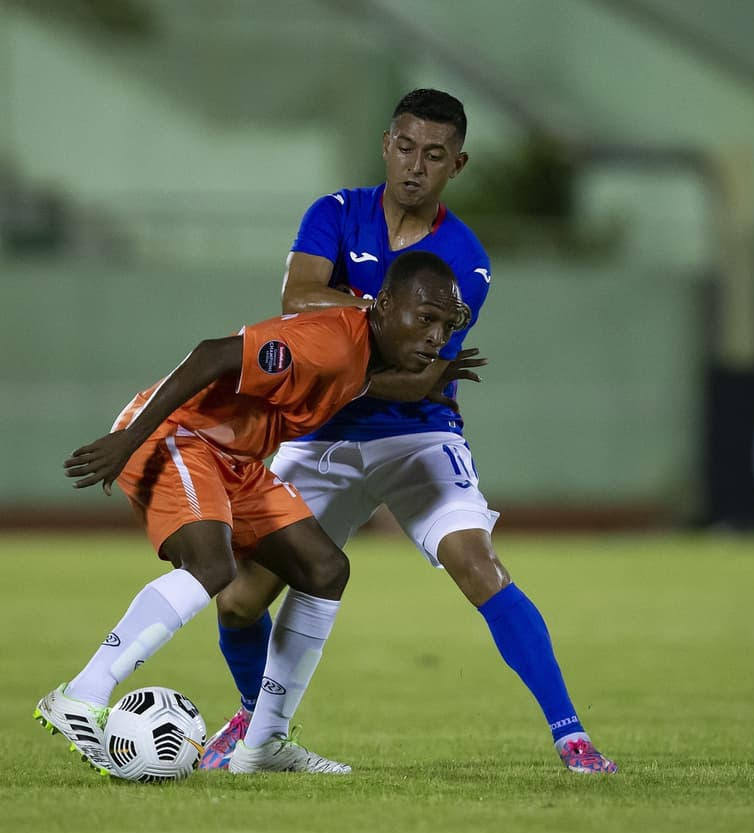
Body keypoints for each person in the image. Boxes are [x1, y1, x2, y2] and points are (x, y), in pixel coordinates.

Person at [201, 88, 617, 775]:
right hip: (321, 435)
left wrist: (349, 330)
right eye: (404, 147)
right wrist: (382, 313)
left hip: (417, 432)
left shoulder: (467, 260)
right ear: (386, 145)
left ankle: (572, 737)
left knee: (475, 561)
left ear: (458, 163)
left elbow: (411, 370)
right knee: (240, 598)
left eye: (433, 154)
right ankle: (256, 725)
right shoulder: (335, 213)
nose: (414, 166)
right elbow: (295, 300)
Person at [34, 250, 475, 776]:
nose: (435, 335)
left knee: (324, 568)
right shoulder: (329, 342)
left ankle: (263, 742)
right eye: (425, 318)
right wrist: (130, 438)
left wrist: (422, 384)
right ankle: (83, 693)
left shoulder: (361, 353)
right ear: (382, 306)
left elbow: (366, 382)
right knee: (211, 567)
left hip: (234, 461)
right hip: (179, 436)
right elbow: (213, 355)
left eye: (447, 325)